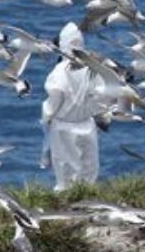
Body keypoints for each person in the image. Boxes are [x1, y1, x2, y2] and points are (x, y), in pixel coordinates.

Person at [41, 22, 104, 191]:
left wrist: (46, 117)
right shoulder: (91, 68)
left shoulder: (59, 71)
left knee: (66, 166)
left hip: (64, 125)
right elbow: (100, 96)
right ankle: (88, 195)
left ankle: (66, 199)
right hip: (87, 123)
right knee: (89, 165)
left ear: (63, 44)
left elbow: (55, 99)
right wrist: (92, 112)